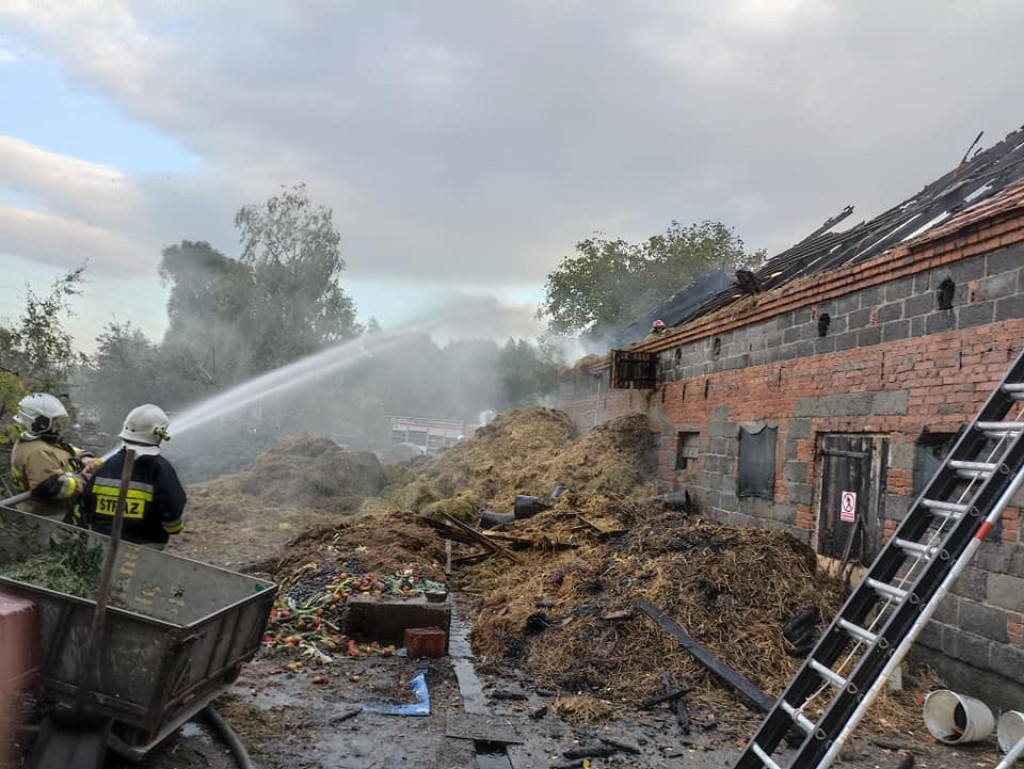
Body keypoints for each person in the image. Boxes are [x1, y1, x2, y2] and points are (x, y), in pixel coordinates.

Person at [82, 404, 186, 549]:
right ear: (158, 434)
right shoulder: (160, 469)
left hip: (101, 547)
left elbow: (86, 504)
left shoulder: (105, 466)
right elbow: (172, 513)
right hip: (145, 550)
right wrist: (174, 526)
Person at [10, 393, 97, 521]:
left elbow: (63, 450)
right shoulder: (37, 452)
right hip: (49, 520)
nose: (58, 424)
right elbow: (54, 488)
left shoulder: (39, 442)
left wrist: (84, 457)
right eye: (54, 420)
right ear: (40, 422)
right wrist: (84, 478)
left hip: (55, 516)